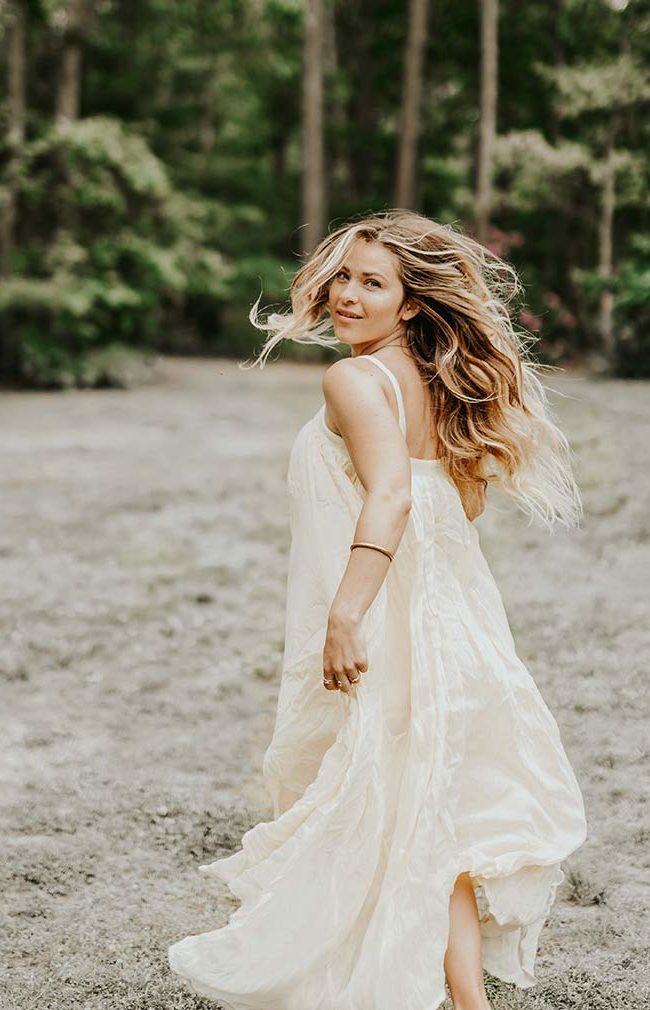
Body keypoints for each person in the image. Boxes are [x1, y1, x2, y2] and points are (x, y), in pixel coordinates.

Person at [168, 210, 587, 1010]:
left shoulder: (355, 380)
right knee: (427, 802)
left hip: (392, 615)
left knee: (398, 793)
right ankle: (468, 1000)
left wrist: (345, 614)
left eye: (372, 283)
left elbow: (392, 495)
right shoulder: (427, 379)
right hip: (447, 613)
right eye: (344, 277)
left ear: (411, 303)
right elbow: (453, 500)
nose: (348, 295)